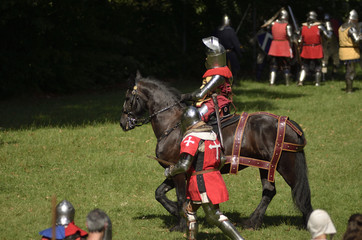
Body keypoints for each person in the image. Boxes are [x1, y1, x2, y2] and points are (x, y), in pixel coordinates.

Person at [164, 106, 244, 240]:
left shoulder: (192, 138)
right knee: (189, 210)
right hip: (213, 178)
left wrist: (171, 171)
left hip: (201, 182)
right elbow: (222, 159)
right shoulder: (212, 134)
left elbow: (184, 165)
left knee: (214, 216)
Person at [181, 36, 233, 123]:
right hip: (211, 100)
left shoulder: (218, 76)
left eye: (208, 56)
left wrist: (187, 96)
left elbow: (201, 94)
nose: (206, 59)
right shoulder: (219, 72)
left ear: (214, 58)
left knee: (193, 117)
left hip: (216, 103)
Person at [297, 11, 333, 86]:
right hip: (316, 48)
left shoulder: (303, 27)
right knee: (318, 65)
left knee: (305, 65)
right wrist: (329, 28)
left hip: (306, 48)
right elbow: (329, 36)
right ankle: (317, 82)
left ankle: (300, 81)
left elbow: (299, 40)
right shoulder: (319, 27)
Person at [266, 9, 293, 86]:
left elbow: (267, 28)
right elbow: (290, 36)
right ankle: (287, 83)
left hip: (274, 45)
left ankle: (271, 82)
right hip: (284, 45)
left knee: (274, 65)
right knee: (286, 65)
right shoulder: (287, 25)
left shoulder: (273, 23)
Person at [214, 15, 243, 81]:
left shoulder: (217, 30)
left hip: (219, 53)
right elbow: (235, 43)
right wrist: (240, 51)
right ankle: (232, 82)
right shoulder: (230, 31)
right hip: (229, 53)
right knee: (232, 68)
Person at [338, 9, 361, 93]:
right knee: (351, 72)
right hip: (350, 51)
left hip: (343, 51)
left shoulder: (341, 27)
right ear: (354, 19)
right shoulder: (351, 28)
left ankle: (348, 89)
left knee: (348, 70)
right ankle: (349, 90)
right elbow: (357, 40)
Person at [320, 13, 341, 81]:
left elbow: (336, 34)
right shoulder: (320, 26)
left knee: (336, 63)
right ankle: (324, 77)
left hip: (334, 45)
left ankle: (333, 76)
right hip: (325, 46)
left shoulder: (334, 24)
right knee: (324, 63)